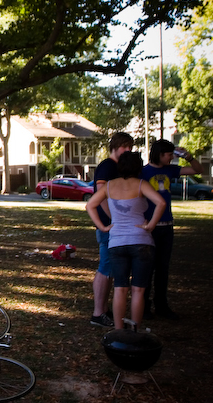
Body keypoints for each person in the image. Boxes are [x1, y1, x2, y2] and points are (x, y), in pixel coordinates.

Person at [86, 152, 166, 329]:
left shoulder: (109, 186)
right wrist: (151, 225)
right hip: (141, 240)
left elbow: (90, 205)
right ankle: (135, 330)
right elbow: (161, 202)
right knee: (138, 289)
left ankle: (118, 330)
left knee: (120, 288)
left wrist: (103, 227)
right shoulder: (141, 184)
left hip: (116, 242)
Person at [140, 139, 203, 320]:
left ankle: (161, 305)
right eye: (169, 155)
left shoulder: (170, 170)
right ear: (159, 154)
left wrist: (188, 156)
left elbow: (198, 170)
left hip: (167, 226)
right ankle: (144, 306)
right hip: (149, 227)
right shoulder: (143, 172)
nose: (171, 158)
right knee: (147, 267)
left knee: (163, 268)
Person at [90, 132, 134, 327]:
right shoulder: (108, 166)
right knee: (105, 267)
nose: (128, 150)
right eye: (125, 146)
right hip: (108, 226)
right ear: (115, 147)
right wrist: (114, 218)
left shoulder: (118, 167)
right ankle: (98, 313)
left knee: (109, 269)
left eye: (130, 147)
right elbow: (101, 195)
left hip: (113, 225)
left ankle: (103, 309)